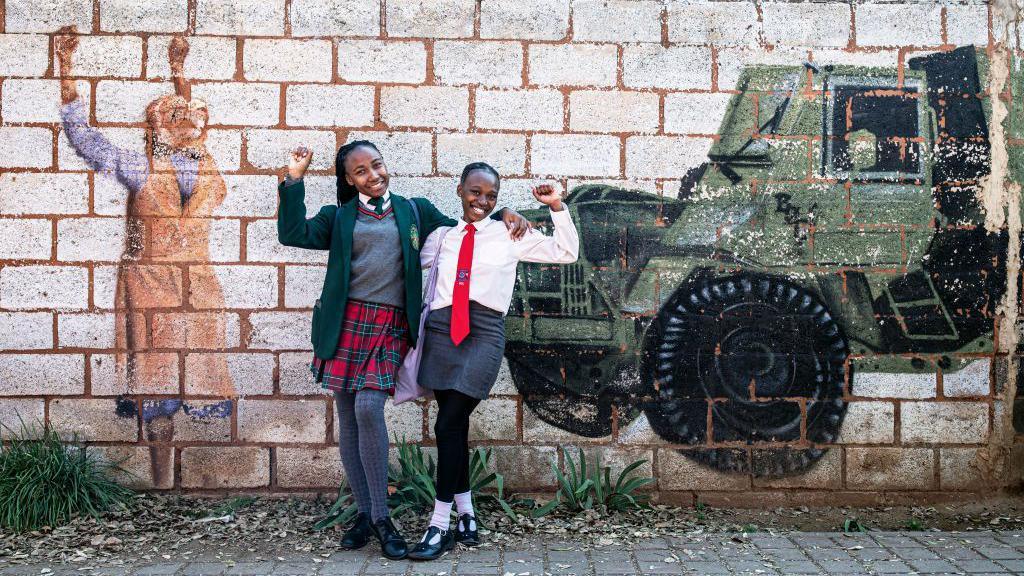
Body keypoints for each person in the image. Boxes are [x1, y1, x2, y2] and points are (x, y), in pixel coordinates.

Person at [277, 145, 529, 560]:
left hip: (391, 326)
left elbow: (467, 228)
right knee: (348, 415)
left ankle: (382, 517)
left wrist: (505, 215)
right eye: (360, 171)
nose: (372, 174)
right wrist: (293, 180)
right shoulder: (339, 217)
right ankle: (366, 513)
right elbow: (292, 233)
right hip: (344, 325)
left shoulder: (415, 211)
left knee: (368, 408)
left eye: (376, 165)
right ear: (349, 180)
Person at [56, 26, 233, 488]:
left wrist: (178, 73)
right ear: (159, 126)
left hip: (197, 286)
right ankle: (160, 484)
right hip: (151, 286)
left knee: (199, 378)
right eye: (179, 114)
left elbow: (187, 125)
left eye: (196, 115)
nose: (191, 117)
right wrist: (66, 71)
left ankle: (187, 484)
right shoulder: (140, 166)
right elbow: (83, 137)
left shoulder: (204, 161)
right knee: (155, 386)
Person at [407, 163, 579, 560]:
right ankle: (466, 514)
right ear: (459, 189)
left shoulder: (510, 232)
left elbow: (566, 252)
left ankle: (438, 525)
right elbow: (406, 267)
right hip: (440, 331)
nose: (481, 202)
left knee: (448, 422)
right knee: (454, 426)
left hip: (483, 332)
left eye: (491, 196)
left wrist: (556, 206)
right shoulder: (442, 238)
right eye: (475, 192)